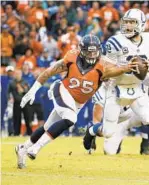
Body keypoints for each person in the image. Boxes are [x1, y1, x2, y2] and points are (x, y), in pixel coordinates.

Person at [15, 34, 138, 169]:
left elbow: (121, 69)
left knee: (47, 127)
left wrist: (129, 67)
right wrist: (32, 91)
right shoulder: (71, 58)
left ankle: (23, 148)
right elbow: (48, 72)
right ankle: (36, 148)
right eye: (88, 51)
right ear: (81, 50)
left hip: (78, 102)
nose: (92, 55)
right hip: (63, 91)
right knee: (70, 119)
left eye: (94, 51)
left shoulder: (103, 64)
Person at [83, 9, 149, 175]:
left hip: (137, 89)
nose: (128, 25)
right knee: (108, 132)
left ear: (142, 25)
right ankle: (92, 131)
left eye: (132, 22)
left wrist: (146, 68)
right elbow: (104, 72)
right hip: (116, 90)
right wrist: (124, 68)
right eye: (126, 21)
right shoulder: (114, 42)